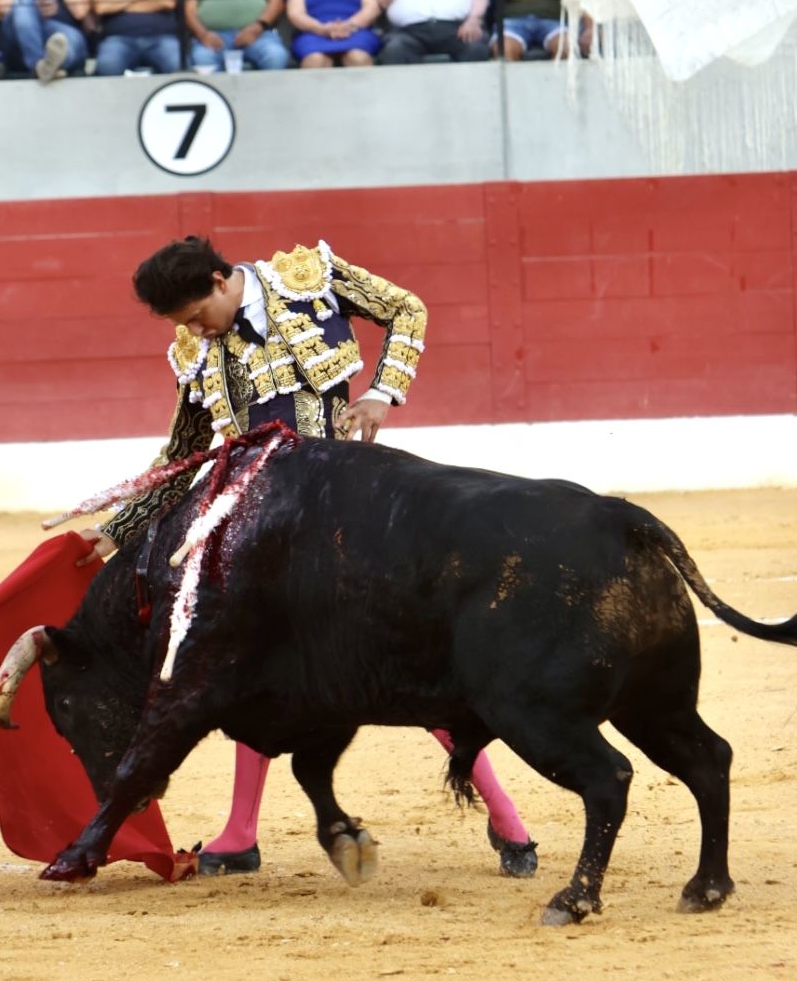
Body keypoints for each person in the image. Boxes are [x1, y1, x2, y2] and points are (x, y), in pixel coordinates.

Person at [77, 233, 538, 880]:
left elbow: (407, 309)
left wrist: (383, 391)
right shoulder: (195, 347)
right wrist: (119, 525)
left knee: (408, 662)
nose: (196, 332)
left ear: (218, 281)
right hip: (265, 533)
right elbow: (184, 453)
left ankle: (505, 816)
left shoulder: (309, 280)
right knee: (244, 667)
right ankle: (240, 834)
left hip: (347, 513)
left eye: (196, 316)